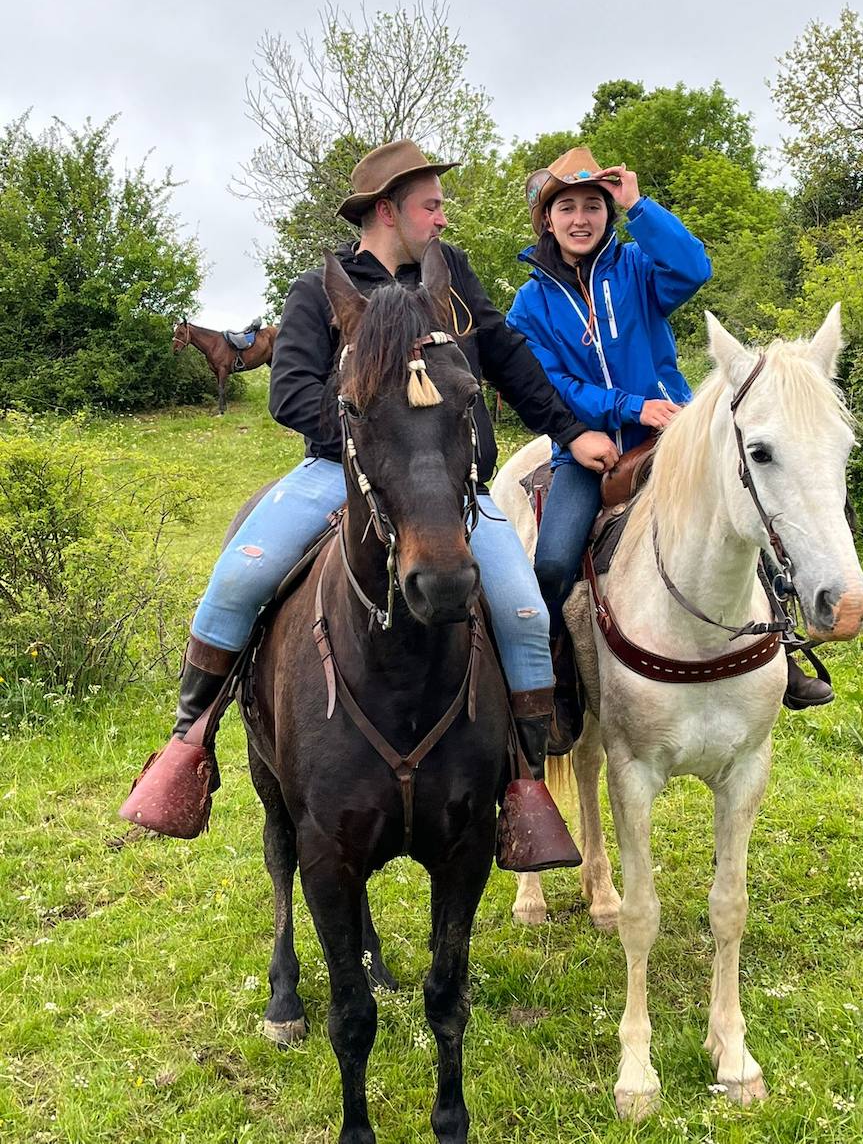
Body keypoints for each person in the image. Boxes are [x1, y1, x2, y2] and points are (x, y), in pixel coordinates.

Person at [121, 140, 618, 870]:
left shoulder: (452, 282)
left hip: (454, 487)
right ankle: (188, 742)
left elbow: (510, 360)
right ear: (388, 210)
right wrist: (377, 445)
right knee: (236, 578)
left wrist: (570, 433)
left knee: (521, 611)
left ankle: (522, 783)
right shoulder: (316, 290)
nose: (443, 216)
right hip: (338, 473)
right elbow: (291, 394)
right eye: (431, 204)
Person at [508, 146, 834, 716]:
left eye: (594, 205)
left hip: (673, 436)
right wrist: (629, 407)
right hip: (588, 451)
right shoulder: (530, 303)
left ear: (609, 213)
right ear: (547, 219)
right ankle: (562, 677)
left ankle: (779, 649)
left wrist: (640, 205)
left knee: (741, 509)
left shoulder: (637, 267)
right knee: (554, 561)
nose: (581, 219)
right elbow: (550, 383)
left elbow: (692, 267)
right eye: (567, 208)